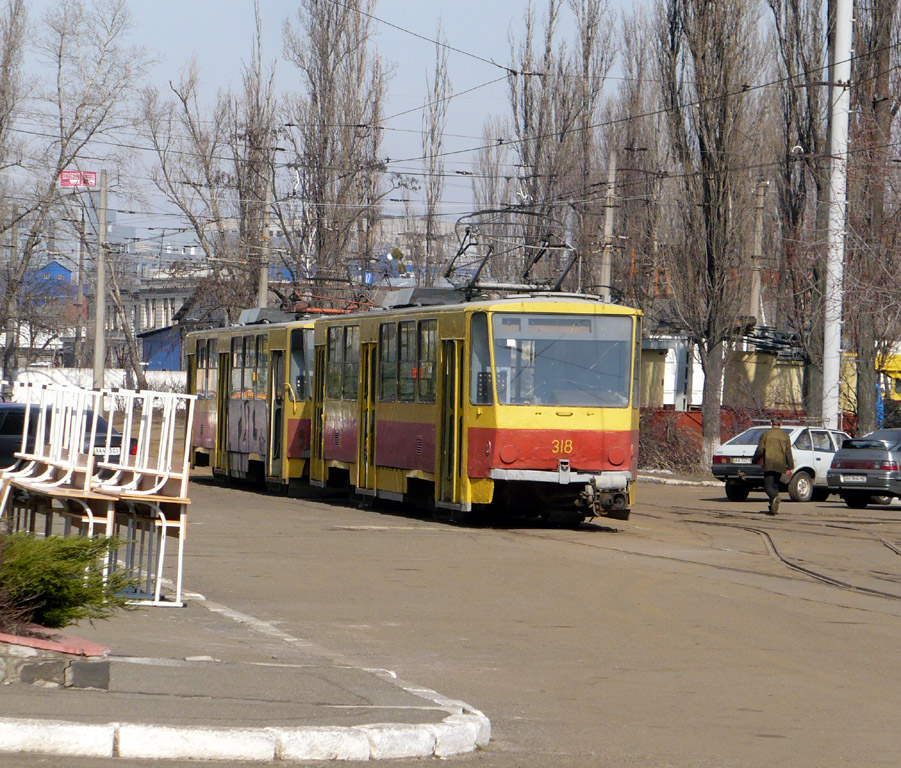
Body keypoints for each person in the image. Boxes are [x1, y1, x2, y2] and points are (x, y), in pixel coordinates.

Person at [752, 416, 794, 515]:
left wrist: (754, 460)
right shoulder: (785, 436)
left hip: (769, 463)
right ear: (781, 424)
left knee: (768, 486)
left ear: (771, 423)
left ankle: (774, 497)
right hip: (780, 464)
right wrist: (790, 467)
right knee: (775, 485)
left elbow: (760, 449)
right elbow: (788, 452)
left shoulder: (765, 434)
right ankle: (773, 508)